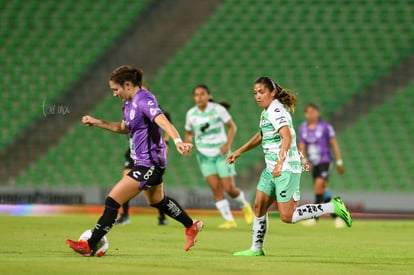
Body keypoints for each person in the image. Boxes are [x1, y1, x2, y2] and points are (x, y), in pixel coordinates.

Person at [66, 65, 202, 256]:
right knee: (157, 200)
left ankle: (89, 244)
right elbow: (125, 128)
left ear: (128, 85)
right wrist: (98, 122)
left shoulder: (144, 99)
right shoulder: (129, 104)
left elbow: (163, 121)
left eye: (115, 89)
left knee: (112, 200)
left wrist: (178, 141)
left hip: (150, 164)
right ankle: (191, 225)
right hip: (144, 163)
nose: (114, 94)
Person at [226, 77, 352, 256]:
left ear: (272, 92)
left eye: (261, 92)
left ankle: (333, 207)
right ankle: (256, 249)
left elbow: (287, 137)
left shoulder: (276, 110)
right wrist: (240, 151)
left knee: (287, 216)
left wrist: (279, 162)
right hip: (272, 168)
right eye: (255, 93)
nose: (257, 96)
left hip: (285, 168)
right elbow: (262, 135)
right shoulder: (266, 112)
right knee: (259, 205)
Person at [184, 85, 254, 229]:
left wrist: (227, 145)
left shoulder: (218, 109)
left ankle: (245, 206)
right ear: (194, 97)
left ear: (209, 96)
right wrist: (187, 144)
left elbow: (232, 127)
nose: (199, 97)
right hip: (204, 156)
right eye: (196, 95)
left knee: (229, 188)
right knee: (216, 189)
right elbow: (188, 133)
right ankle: (229, 220)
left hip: (221, 155)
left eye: (202, 94)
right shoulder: (191, 114)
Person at [116, 84, 169, 226]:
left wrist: (167, 145)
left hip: (151, 156)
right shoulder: (128, 107)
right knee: (125, 180)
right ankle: (125, 215)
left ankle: (163, 217)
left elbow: (166, 128)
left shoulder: (156, 110)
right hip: (133, 153)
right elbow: (125, 128)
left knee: (154, 196)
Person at [298, 104, 346, 228]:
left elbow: (334, 144)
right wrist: (304, 162)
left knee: (319, 186)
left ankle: (314, 219)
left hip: (325, 161)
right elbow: (301, 147)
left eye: (313, 111)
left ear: (318, 113)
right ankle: (338, 215)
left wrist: (339, 162)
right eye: (308, 112)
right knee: (323, 192)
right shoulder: (303, 128)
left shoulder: (325, 127)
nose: (310, 114)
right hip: (313, 164)